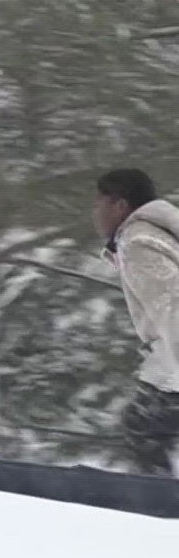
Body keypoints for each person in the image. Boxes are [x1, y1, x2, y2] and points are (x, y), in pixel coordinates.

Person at [92, 168, 179, 476]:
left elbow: (173, 308)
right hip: (165, 365)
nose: (95, 213)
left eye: (99, 203)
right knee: (141, 422)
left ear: (121, 206)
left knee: (143, 426)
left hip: (174, 365)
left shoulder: (139, 241)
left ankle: (161, 509)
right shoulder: (155, 233)